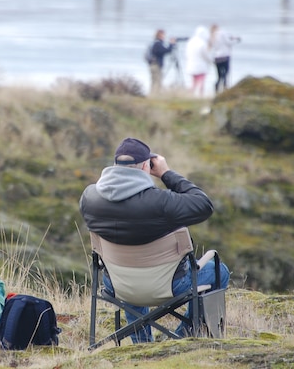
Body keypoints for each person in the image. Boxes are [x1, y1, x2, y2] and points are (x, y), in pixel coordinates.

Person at [79, 137, 230, 343]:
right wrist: (166, 173)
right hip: (170, 285)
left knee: (131, 271)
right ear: (145, 166)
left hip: (119, 283)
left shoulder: (89, 198)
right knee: (219, 270)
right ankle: (185, 335)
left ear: (114, 166)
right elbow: (204, 205)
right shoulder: (161, 202)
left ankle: (141, 342)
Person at [210, 24, 241, 93]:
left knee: (219, 75)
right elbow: (228, 42)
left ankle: (217, 88)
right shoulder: (222, 33)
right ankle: (225, 88)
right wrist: (237, 40)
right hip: (225, 56)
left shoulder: (212, 36)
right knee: (226, 73)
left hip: (216, 58)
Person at [185, 26, 212, 97]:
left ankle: (190, 95)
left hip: (191, 65)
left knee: (193, 83)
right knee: (201, 82)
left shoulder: (190, 42)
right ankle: (200, 95)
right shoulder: (202, 43)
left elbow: (187, 54)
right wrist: (211, 61)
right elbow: (206, 55)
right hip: (201, 66)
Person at [147, 29, 177, 95]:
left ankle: (152, 95)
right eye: (163, 35)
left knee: (154, 81)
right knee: (157, 81)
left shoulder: (154, 43)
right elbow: (164, 51)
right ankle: (155, 95)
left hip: (152, 64)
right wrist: (171, 44)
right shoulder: (158, 44)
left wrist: (170, 45)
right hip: (156, 65)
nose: (164, 36)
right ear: (159, 35)